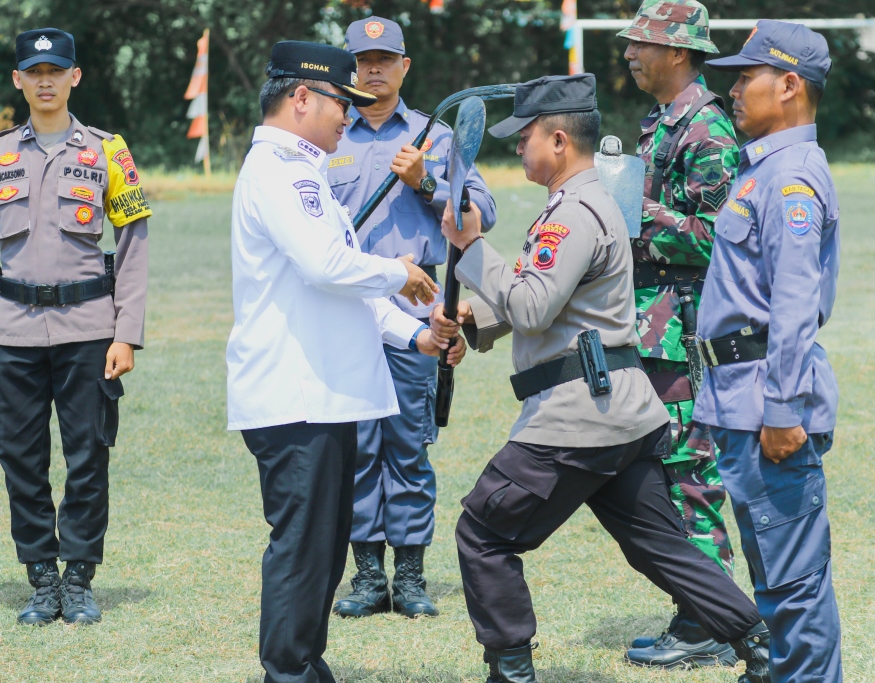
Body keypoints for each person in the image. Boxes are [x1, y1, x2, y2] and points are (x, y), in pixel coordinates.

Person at [432, 74, 769, 683]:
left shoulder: (575, 212)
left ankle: (510, 670)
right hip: (624, 414)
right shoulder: (588, 203)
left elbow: (534, 305)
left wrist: (472, 248)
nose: (517, 147)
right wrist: (474, 315)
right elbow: (566, 301)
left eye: (525, 137)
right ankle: (762, 646)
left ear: (559, 140)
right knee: (660, 546)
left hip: (577, 416)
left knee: (483, 531)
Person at [227, 41, 464, 683]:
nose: (348, 116)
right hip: (294, 395)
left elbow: (347, 288)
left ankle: (304, 661)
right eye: (342, 102)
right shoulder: (282, 169)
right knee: (304, 550)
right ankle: (289, 671)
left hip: (322, 394)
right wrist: (402, 271)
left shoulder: (303, 170)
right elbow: (327, 266)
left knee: (325, 550)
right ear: (302, 97)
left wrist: (416, 336)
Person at [326, 15, 497, 620]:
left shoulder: (436, 137)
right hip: (345, 317)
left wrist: (428, 183)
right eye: (363, 60)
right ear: (350, 67)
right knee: (355, 448)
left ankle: (412, 574)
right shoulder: (329, 132)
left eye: (385, 59)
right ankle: (368, 575)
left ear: (404, 66)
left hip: (417, 321)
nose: (373, 69)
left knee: (407, 448)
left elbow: (484, 216)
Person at [695, 20, 843, 683]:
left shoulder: (792, 179)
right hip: (740, 397)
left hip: (767, 405)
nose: (733, 89)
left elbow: (792, 303)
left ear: (789, 85)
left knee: (793, 585)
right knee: (773, 579)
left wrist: (784, 407)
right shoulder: (767, 170)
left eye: (746, 76)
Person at [0, 28, 150, 627]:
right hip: (10, 331)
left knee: (89, 455)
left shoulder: (107, 151)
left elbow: (133, 241)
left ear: (74, 76)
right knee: (21, 459)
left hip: (88, 330)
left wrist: (126, 332)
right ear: (17, 79)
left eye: (55, 70)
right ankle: (41, 577)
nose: (44, 81)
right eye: (33, 71)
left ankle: (80, 576)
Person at [616, 0, 747, 669]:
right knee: (666, 472)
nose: (631, 54)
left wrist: (640, 210)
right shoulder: (662, 123)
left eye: (642, 44)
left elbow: (723, 238)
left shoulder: (708, 130)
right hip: (654, 322)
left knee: (689, 470)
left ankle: (712, 620)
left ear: (678, 51)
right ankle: (697, 609)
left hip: (686, 330)